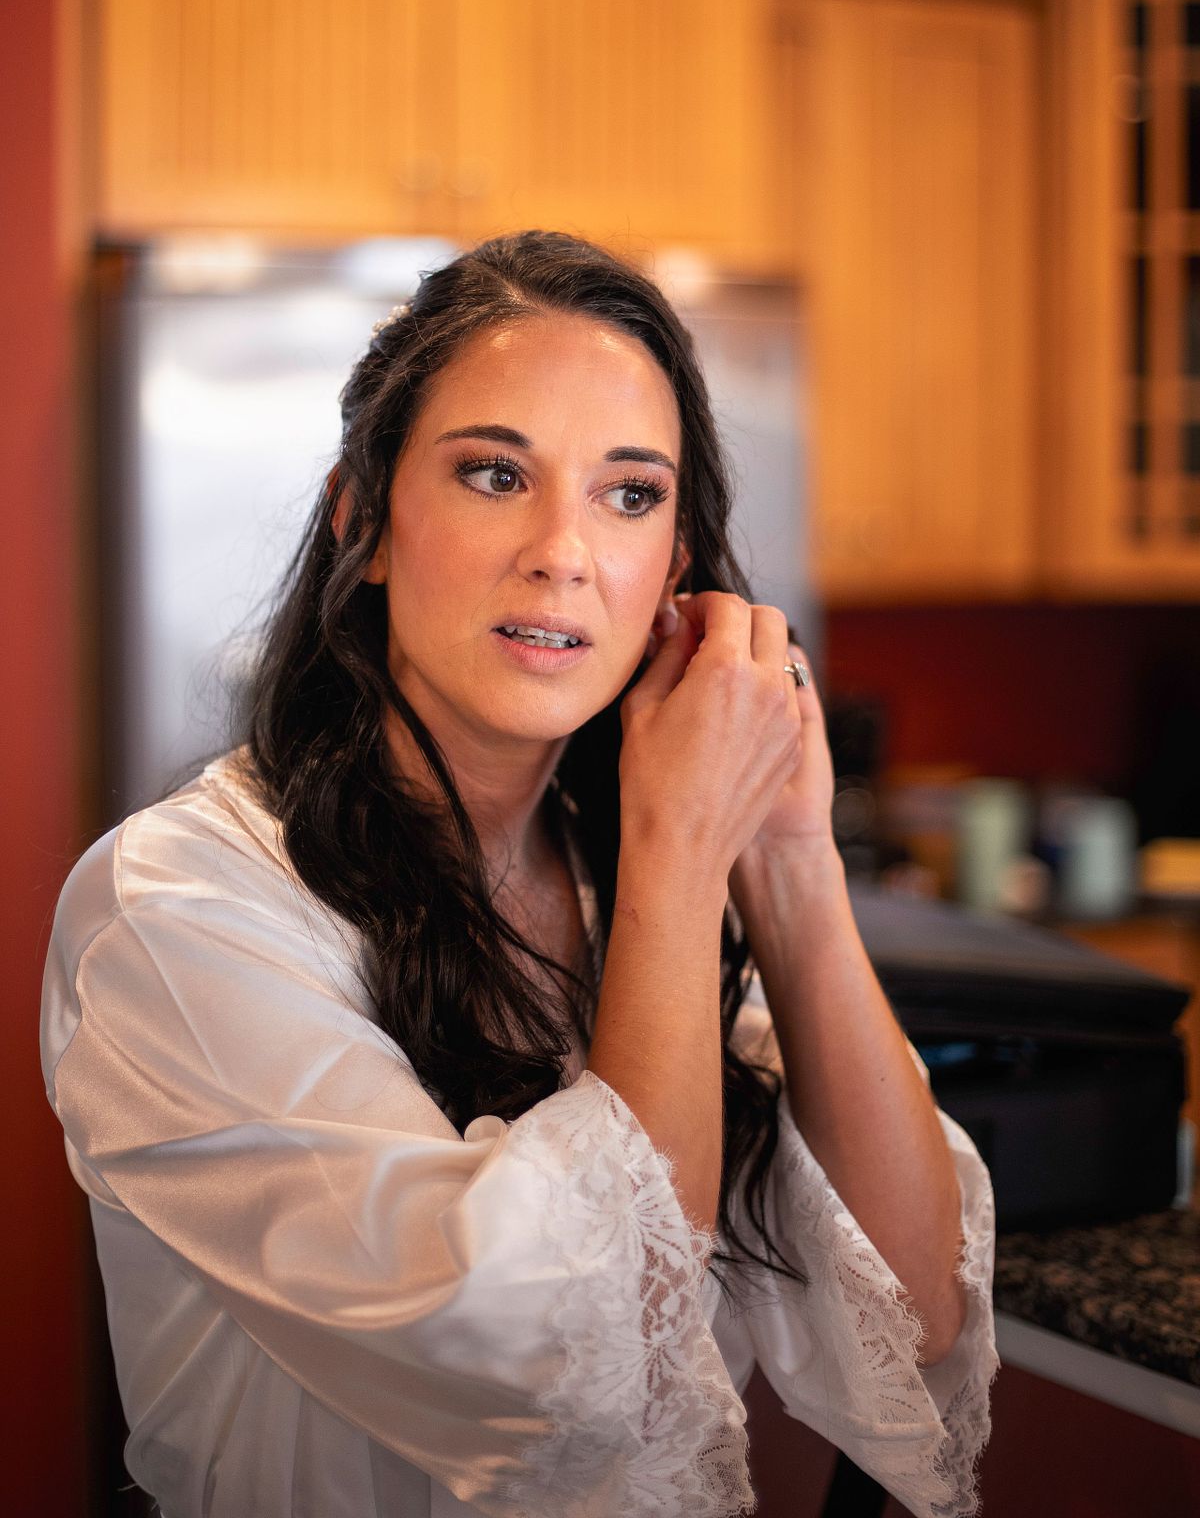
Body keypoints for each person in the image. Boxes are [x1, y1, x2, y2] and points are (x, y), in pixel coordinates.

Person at [41, 229, 998, 1518]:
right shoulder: (176, 910)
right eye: (496, 473)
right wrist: (679, 847)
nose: (565, 551)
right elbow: (585, 1378)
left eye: (629, 494)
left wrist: (784, 857)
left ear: (677, 574)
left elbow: (920, 1322)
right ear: (363, 521)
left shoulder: (635, 895)